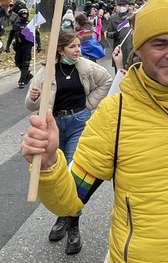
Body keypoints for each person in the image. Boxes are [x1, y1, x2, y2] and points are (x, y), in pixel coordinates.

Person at [20, 0, 168, 262]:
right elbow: (67, 202)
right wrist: (48, 164)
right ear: (138, 48)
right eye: (159, 44)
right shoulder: (115, 113)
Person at [25, 30, 112, 256]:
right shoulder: (47, 71)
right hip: (54, 126)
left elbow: (107, 80)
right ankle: (62, 216)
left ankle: (73, 225)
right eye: (72, 46)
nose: (77, 50)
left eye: (78, 45)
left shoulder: (86, 67)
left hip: (78, 123)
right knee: (58, 172)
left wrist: (89, 104)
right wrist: (34, 97)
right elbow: (30, 104)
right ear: (61, 49)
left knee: (73, 177)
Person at [8, 7, 34, 89]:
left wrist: (39, 45)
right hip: (18, 45)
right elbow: (11, 35)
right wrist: (7, 46)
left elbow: (36, 35)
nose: (24, 16)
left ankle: (22, 80)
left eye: (25, 14)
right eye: (23, 14)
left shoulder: (30, 24)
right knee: (18, 62)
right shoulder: (16, 24)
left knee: (25, 63)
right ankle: (27, 75)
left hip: (27, 45)